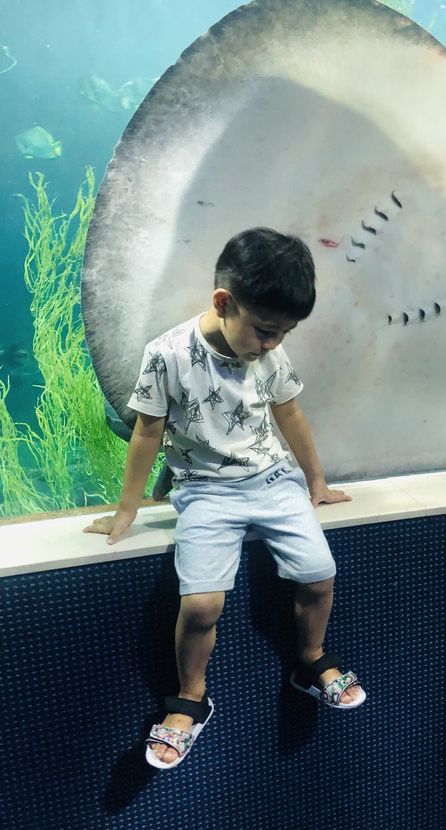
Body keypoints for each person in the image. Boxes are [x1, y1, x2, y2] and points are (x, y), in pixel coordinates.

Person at [84, 227, 366, 770]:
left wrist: (316, 481)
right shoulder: (166, 353)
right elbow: (146, 432)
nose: (272, 344)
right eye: (265, 330)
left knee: (319, 575)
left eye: (284, 333)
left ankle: (310, 659)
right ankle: (190, 697)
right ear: (223, 302)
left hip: (274, 481)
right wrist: (128, 508)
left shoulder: (268, 354)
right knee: (201, 606)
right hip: (204, 490)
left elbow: (289, 412)